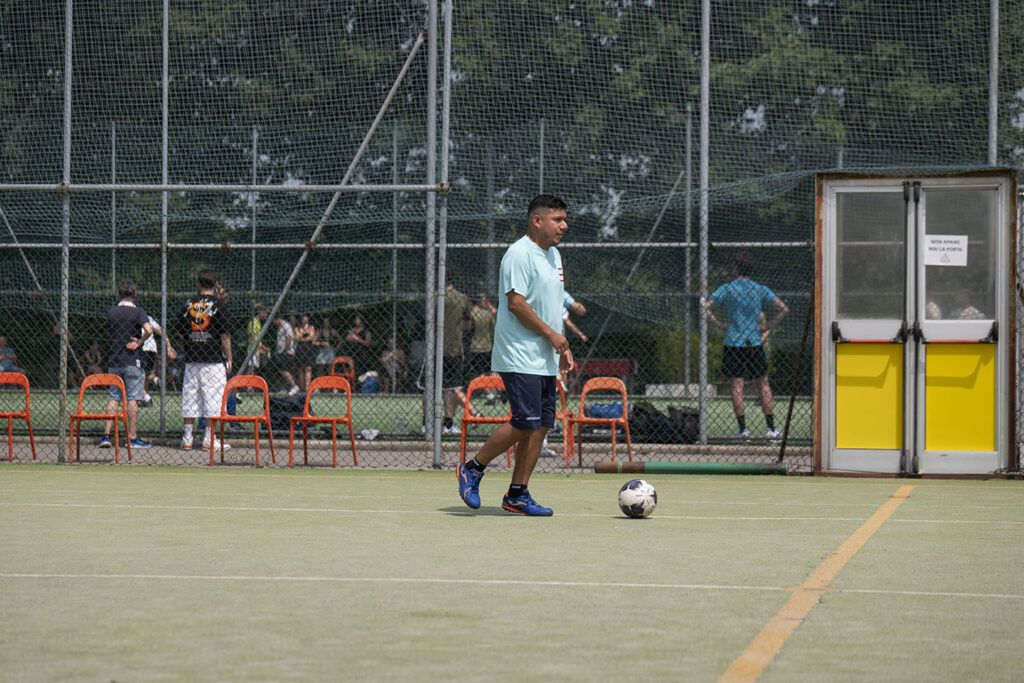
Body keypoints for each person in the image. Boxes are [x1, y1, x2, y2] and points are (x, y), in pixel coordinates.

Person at [457, 194, 574, 516]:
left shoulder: (554, 256)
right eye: (557, 219)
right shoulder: (518, 254)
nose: (564, 225)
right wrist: (551, 335)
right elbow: (517, 304)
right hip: (518, 354)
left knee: (541, 425)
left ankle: (517, 495)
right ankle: (472, 468)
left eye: (564, 219)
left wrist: (562, 345)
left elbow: (550, 306)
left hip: (545, 357)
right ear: (537, 221)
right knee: (525, 422)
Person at [706, 251, 789, 439]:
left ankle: (743, 430)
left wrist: (719, 324)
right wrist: (768, 325)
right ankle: (771, 429)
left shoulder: (727, 288)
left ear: (736, 268)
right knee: (763, 385)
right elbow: (784, 309)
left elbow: (706, 306)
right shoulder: (759, 289)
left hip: (733, 342)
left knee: (737, 386)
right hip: (754, 342)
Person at [176, 269, 232, 451]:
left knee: (190, 395)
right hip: (213, 360)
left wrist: (190, 344)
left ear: (198, 284)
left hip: (192, 359)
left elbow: (179, 332)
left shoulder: (188, 303)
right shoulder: (219, 305)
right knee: (213, 397)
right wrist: (229, 357)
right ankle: (209, 438)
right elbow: (224, 335)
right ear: (215, 285)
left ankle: (187, 438)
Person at [100, 280, 155, 449]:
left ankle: (106, 436)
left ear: (119, 294)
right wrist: (139, 342)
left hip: (114, 359)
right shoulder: (138, 311)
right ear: (135, 295)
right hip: (132, 359)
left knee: (114, 397)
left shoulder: (112, 312)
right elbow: (149, 329)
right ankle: (132, 438)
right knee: (132, 398)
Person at [442, 275, 472, 434]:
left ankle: (427, 425)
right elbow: (468, 323)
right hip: (455, 348)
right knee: (452, 387)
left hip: (436, 347)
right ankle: (448, 423)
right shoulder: (461, 298)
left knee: (429, 387)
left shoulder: (435, 296)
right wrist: (456, 330)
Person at [141, 314, 176, 406]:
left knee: (138, 377)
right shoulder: (148, 317)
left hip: (141, 349)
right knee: (146, 374)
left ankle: (147, 398)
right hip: (152, 350)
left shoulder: (132, 315)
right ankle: (155, 380)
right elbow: (161, 331)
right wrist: (169, 346)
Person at [270, 315, 301, 396]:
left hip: (286, 352)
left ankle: (294, 386)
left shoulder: (286, 326)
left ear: (277, 319)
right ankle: (287, 388)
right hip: (281, 352)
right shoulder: (280, 327)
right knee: (283, 370)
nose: (273, 323)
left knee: (284, 370)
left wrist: (285, 350)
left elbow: (289, 338)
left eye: (274, 321)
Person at [293, 313, 317, 391]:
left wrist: (302, 336)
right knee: (300, 369)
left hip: (308, 348)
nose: (304, 320)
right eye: (303, 318)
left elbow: (312, 337)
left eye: (306, 318)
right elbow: (296, 337)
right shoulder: (297, 328)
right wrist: (305, 335)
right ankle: (302, 387)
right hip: (300, 349)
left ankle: (307, 387)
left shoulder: (311, 327)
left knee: (308, 368)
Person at [246, 306, 271, 372]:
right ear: (260, 311)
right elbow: (253, 338)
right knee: (251, 369)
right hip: (252, 349)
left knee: (254, 369)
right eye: (266, 313)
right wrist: (263, 348)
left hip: (256, 349)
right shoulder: (253, 322)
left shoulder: (258, 323)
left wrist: (261, 348)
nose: (266, 315)